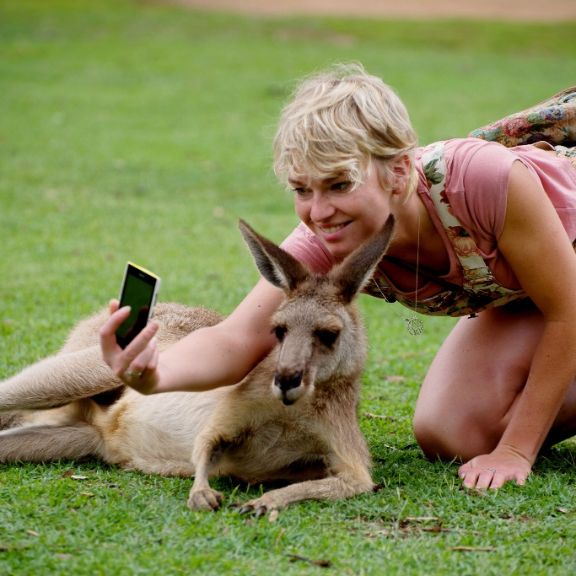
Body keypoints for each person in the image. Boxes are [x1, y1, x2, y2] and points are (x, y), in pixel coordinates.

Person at [100, 63, 576, 491]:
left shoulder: (486, 180)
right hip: (527, 297)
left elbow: (567, 310)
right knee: (452, 433)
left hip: (566, 289)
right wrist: (153, 374)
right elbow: (234, 340)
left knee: (511, 428)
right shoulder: (325, 240)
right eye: (301, 189)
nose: (319, 211)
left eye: (339, 184)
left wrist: (516, 450)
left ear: (399, 169)